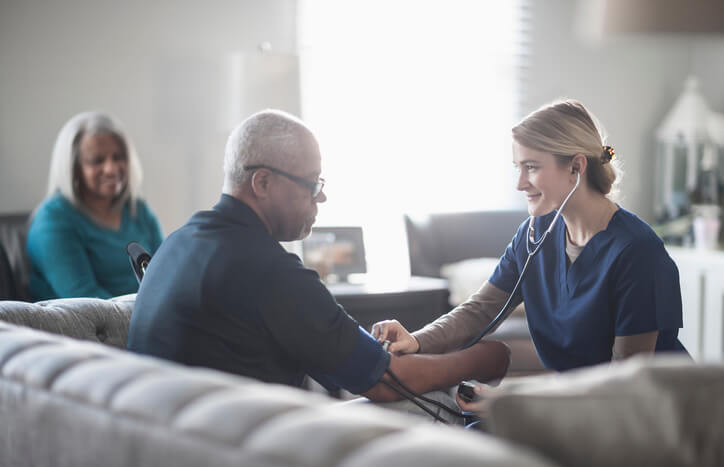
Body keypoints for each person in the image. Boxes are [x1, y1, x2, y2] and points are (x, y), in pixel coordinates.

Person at [127, 110, 510, 404]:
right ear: (262, 182)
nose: (321, 197)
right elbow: (386, 382)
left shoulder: (178, 243)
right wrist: (485, 358)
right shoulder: (268, 271)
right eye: (312, 183)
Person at [372, 99, 688, 412]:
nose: (520, 183)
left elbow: (622, 382)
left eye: (531, 167)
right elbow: (480, 310)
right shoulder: (535, 233)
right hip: (583, 407)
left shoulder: (637, 252)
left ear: (576, 167)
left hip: (654, 418)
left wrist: (514, 398)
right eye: (517, 168)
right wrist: (416, 340)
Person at [26, 112, 163, 300]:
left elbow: (166, 274)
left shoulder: (138, 210)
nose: (111, 169)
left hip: (146, 319)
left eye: (118, 157)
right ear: (73, 168)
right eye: (97, 160)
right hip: (84, 327)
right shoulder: (52, 221)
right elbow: (86, 302)